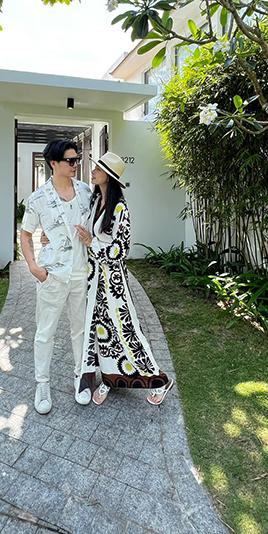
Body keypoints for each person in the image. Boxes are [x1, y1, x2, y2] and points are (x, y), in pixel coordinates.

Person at [76, 152, 174, 406]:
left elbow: (120, 250)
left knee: (126, 329)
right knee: (103, 331)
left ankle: (160, 380)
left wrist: (92, 243)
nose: (93, 171)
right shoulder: (95, 201)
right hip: (95, 281)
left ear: (108, 176)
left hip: (113, 283)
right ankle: (110, 379)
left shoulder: (120, 208)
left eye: (98, 169)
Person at [20, 139, 93, 415]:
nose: (75, 165)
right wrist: (33, 267)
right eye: (70, 161)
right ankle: (42, 384)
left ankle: (81, 376)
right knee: (45, 332)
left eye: (77, 160)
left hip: (80, 273)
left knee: (80, 329)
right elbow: (26, 234)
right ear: (54, 163)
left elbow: (95, 225)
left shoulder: (85, 191)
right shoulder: (38, 198)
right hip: (52, 275)